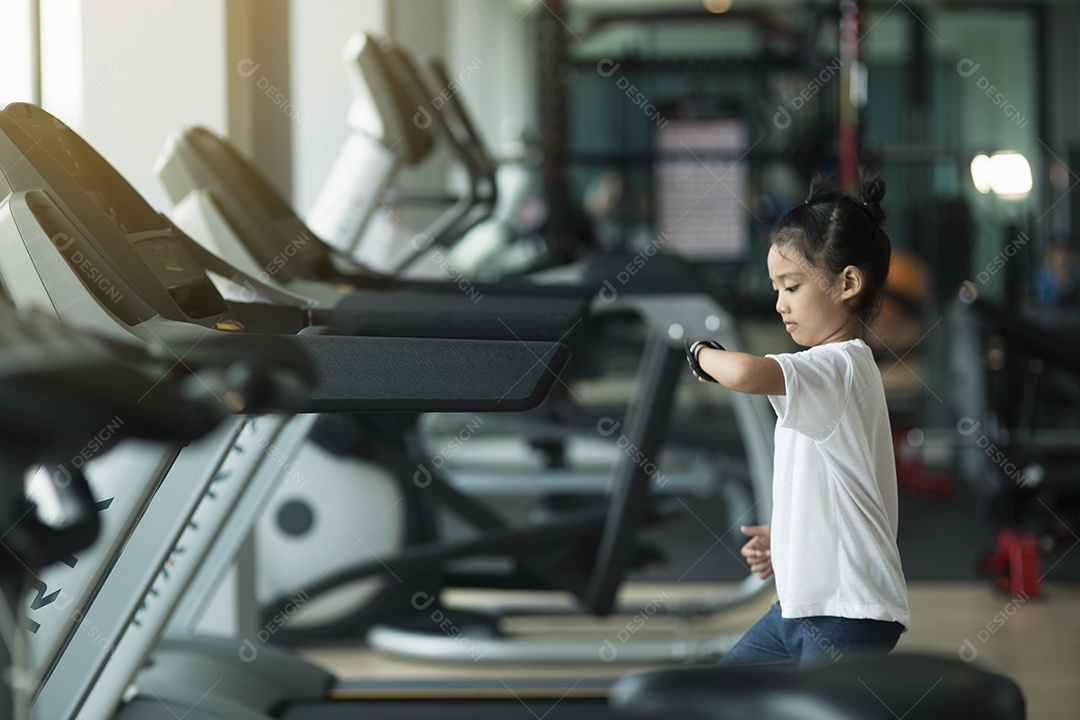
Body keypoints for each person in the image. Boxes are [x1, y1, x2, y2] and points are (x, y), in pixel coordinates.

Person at [688, 173, 909, 668]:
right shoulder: (831, 374)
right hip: (799, 609)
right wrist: (788, 537)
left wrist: (698, 352)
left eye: (791, 286)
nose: (779, 303)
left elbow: (744, 370)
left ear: (848, 283)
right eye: (775, 288)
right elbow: (829, 485)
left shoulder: (838, 367)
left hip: (848, 613)